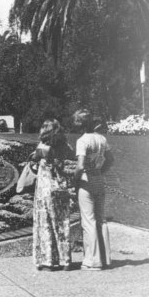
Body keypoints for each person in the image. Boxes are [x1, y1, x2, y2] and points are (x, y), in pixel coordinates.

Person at [73, 109, 114, 271]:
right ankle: (105, 258)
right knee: (100, 219)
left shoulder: (82, 141)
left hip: (86, 181)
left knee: (88, 220)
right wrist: (101, 171)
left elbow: (80, 165)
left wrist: (74, 179)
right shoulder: (101, 138)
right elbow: (110, 159)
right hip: (99, 178)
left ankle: (93, 261)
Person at [31, 119, 74, 271]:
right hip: (61, 185)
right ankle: (65, 260)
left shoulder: (42, 147)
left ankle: (48, 260)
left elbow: (34, 161)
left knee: (46, 223)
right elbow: (72, 157)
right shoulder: (65, 146)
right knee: (62, 222)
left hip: (45, 187)